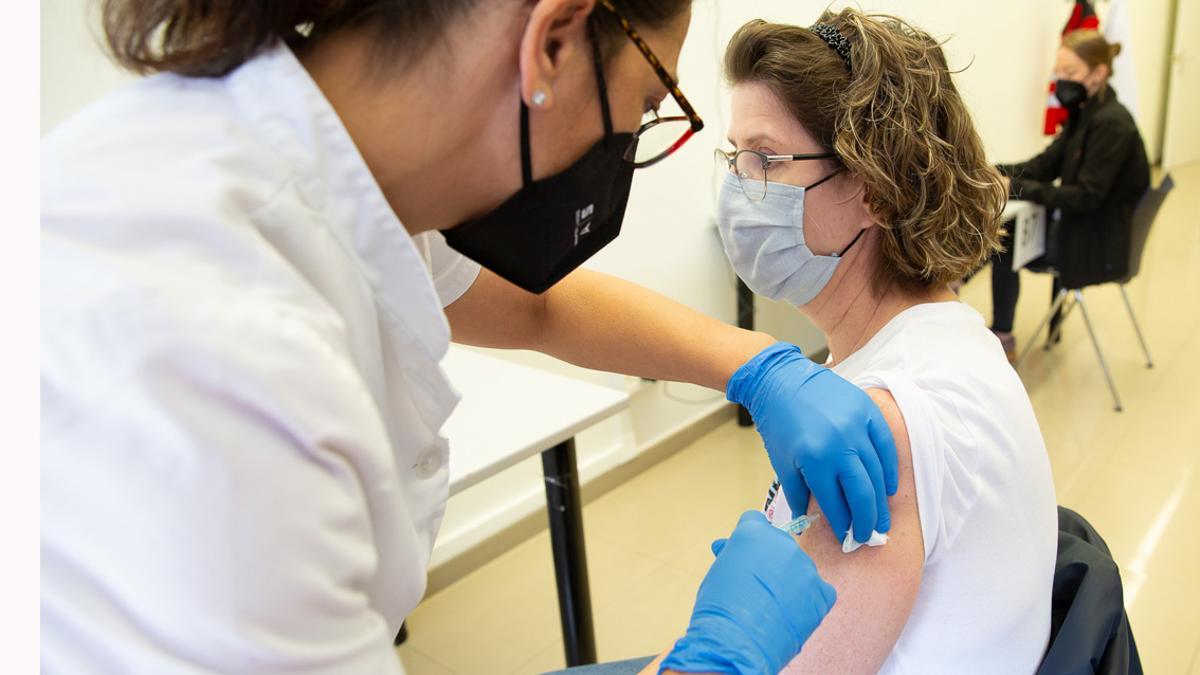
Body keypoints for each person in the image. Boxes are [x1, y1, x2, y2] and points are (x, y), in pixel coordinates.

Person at [39, 0, 892, 672]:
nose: (628, 141)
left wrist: (758, 364)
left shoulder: (324, 173)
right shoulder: (212, 353)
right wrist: (716, 663)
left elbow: (535, 306)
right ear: (551, 39)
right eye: (641, 103)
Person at [707, 10, 1058, 673]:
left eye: (765, 159)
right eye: (733, 157)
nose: (735, 188)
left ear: (873, 188)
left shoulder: (877, 428)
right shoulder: (945, 331)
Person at [991, 29, 1150, 359]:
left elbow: (1086, 197)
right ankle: (996, 329)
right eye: (1059, 70)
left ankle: (1001, 337)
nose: (1060, 79)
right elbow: (1046, 165)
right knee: (1002, 235)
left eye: (1070, 73)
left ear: (1098, 73)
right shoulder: (1086, 113)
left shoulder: (1111, 125)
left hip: (1098, 241)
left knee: (1001, 240)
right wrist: (993, 171)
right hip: (1088, 225)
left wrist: (1014, 187)